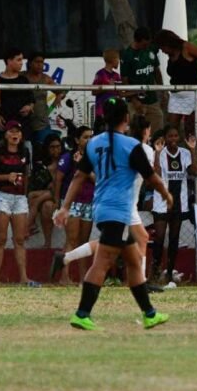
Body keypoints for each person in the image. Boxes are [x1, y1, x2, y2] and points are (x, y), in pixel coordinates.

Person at [54, 97, 173, 331]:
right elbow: (151, 176)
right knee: (103, 263)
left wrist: (65, 206)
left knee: (132, 261)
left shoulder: (93, 143)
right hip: (119, 210)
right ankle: (82, 313)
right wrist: (166, 195)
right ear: (126, 119)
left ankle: (150, 314)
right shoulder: (131, 146)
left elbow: (79, 177)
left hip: (102, 208)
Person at [52, 116, 160, 290]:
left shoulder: (119, 146)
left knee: (129, 239)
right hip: (125, 202)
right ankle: (141, 282)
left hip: (114, 199)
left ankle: (65, 258)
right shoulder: (145, 150)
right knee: (123, 241)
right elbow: (148, 176)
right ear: (146, 130)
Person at [0, 120, 37, 286]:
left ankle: (23, 277)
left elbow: (26, 174)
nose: (15, 135)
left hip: (19, 198)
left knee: (19, 239)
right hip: (1, 196)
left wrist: (24, 194)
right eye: (12, 132)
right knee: (1, 238)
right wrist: (6, 177)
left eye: (18, 132)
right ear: (5, 134)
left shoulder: (25, 151)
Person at [151, 125, 197, 283]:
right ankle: (155, 271)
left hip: (179, 202)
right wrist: (157, 153)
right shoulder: (159, 153)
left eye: (175, 136)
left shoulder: (184, 154)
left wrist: (192, 150)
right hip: (161, 202)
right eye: (170, 136)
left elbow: (195, 172)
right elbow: (155, 174)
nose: (173, 139)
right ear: (164, 138)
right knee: (159, 237)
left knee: (174, 238)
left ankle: (169, 273)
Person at [53, 126, 94, 285]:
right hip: (73, 203)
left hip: (89, 203)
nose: (89, 140)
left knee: (84, 243)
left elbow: (97, 180)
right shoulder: (68, 157)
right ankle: (64, 277)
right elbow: (58, 179)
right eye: (85, 137)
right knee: (71, 240)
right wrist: (58, 201)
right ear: (77, 140)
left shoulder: (93, 158)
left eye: (91, 136)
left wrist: (83, 167)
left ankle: (85, 279)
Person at [154, 29, 197, 138]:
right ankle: (174, 150)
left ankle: (193, 151)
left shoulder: (186, 47)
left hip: (191, 93)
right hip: (176, 94)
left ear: (167, 43)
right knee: (172, 126)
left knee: (190, 126)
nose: (162, 50)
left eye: (162, 47)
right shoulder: (170, 55)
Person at [121, 27, 164, 133]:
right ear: (137, 41)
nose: (146, 46)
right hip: (135, 102)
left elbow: (157, 71)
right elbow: (125, 81)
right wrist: (134, 100)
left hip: (152, 100)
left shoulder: (150, 50)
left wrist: (162, 90)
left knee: (158, 127)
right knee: (136, 132)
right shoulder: (127, 55)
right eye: (144, 44)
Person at [25, 133, 61, 247]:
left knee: (36, 200)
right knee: (45, 205)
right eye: (52, 147)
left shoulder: (65, 161)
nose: (56, 150)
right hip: (48, 196)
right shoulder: (42, 166)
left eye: (58, 146)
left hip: (62, 195)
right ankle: (47, 242)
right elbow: (37, 186)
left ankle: (28, 226)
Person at [25, 52, 64, 146]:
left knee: (43, 148)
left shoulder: (46, 79)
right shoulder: (23, 77)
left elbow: (61, 92)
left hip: (42, 123)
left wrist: (54, 104)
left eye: (42, 62)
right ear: (30, 63)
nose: (40, 65)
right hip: (26, 122)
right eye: (37, 62)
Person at [0, 48, 35, 140]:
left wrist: (29, 107)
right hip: (6, 124)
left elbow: (32, 99)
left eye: (22, 59)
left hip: (23, 125)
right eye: (18, 60)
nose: (22, 63)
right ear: (9, 61)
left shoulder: (24, 80)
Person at [92, 49, 122, 123]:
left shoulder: (117, 76)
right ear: (112, 60)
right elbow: (94, 91)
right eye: (118, 59)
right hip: (101, 112)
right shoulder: (100, 74)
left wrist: (137, 91)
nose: (119, 61)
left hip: (114, 112)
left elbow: (120, 93)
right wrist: (107, 86)